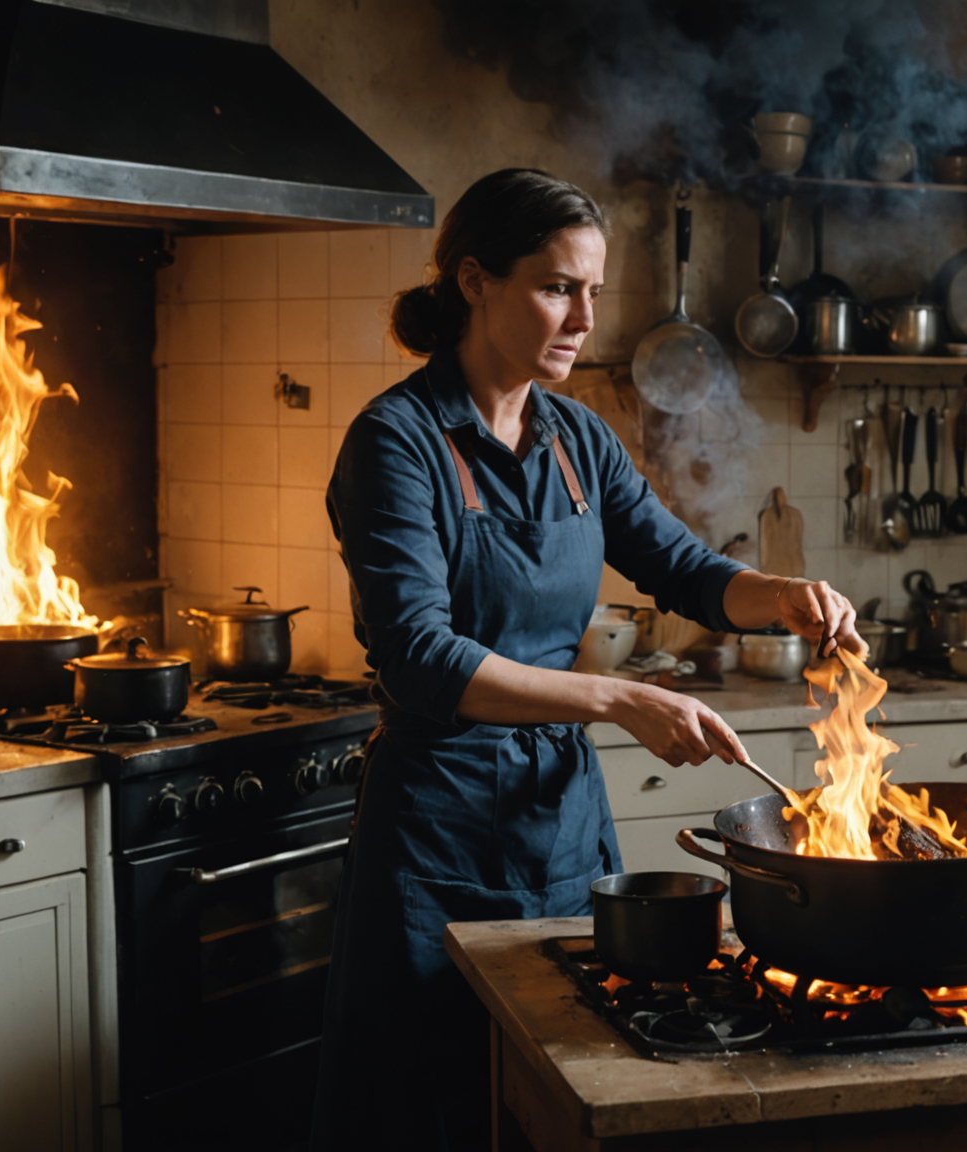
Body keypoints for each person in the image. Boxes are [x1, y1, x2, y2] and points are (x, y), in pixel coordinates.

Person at [311, 168, 863, 1150]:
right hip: (434, 839)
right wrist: (615, 697)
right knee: (426, 1105)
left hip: (560, 829)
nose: (583, 316)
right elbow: (421, 657)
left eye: (594, 292)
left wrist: (783, 598)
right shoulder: (396, 443)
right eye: (558, 286)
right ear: (474, 282)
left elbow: (682, 568)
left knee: (561, 1093)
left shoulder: (576, 438)